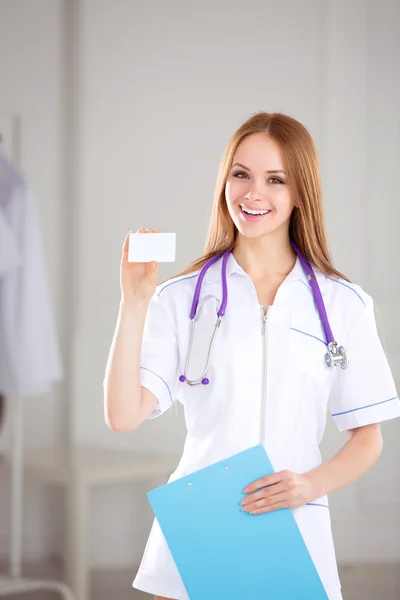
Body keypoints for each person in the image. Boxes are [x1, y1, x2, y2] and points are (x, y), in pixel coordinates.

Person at [103, 112, 400, 600]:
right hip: (200, 525)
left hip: (294, 526)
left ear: (301, 192)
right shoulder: (180, 298)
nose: (252, 193)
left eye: (275, 180)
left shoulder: (344, 305)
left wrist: (308, 486)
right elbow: (122, 415)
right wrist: (133, 303)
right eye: (240, 174)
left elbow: (368, 439)